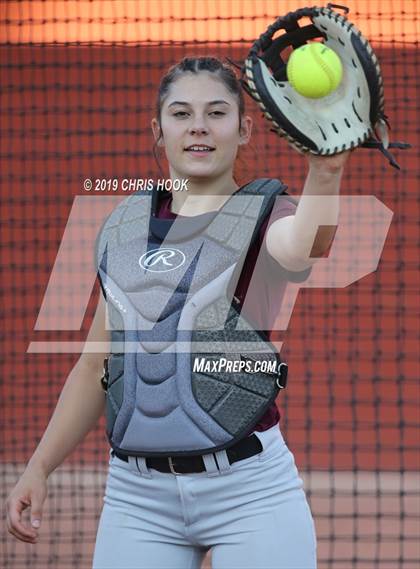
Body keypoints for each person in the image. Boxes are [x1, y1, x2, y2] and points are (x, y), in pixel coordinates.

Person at [6, 56, 350, 568]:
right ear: (158, 129)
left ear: (245, 128)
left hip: (249, 492)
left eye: (217, 113)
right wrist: (39, 467)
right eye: (181, 113)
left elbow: (306, 244)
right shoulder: (124, 227)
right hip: (137, 498)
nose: (198, 127)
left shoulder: (264, 213)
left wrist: (325, 170)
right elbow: (94, 367)